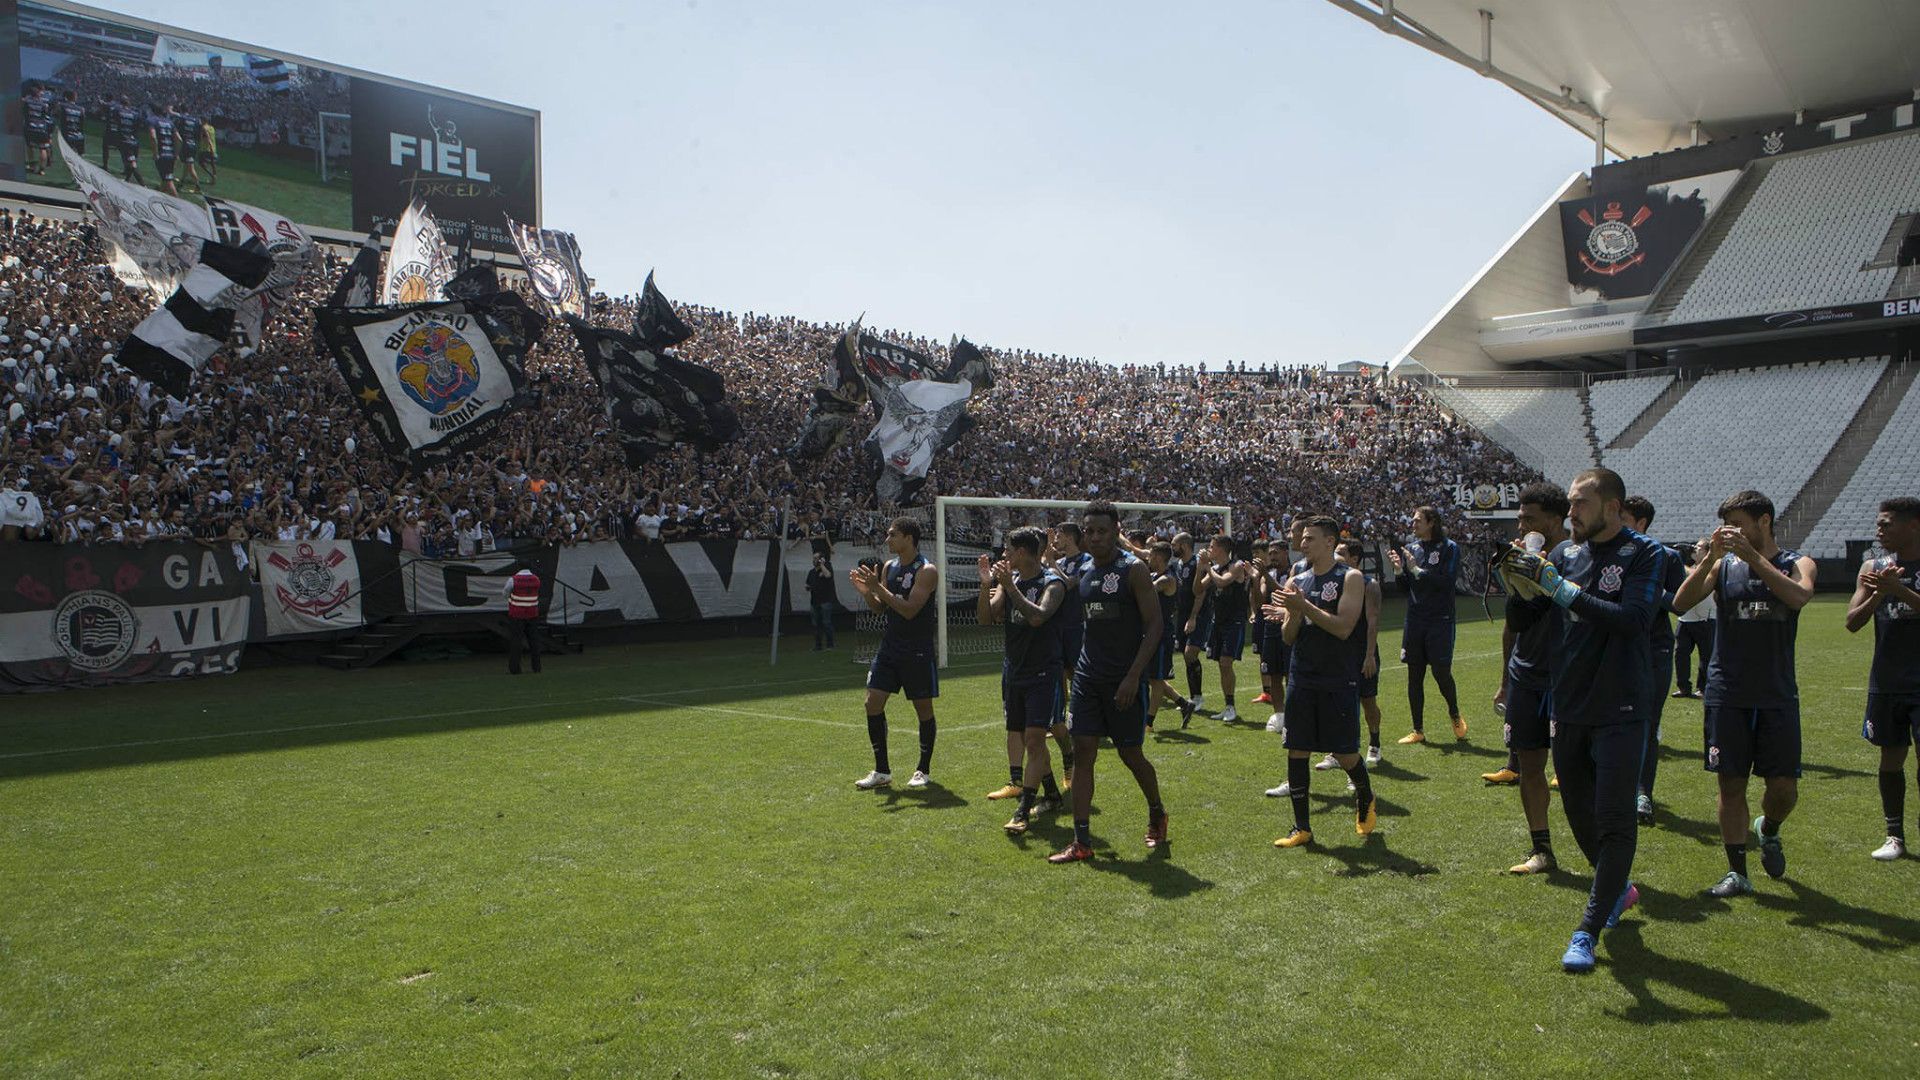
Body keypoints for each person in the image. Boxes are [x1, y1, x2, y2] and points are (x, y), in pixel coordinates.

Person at [1498, 467, 1661, 972]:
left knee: (1614, 820)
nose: (1570, 514)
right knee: (1578, 814)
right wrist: (1520, 585)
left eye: (1580, 504)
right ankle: (1618, 889)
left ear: (1612, 506)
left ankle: (1586, 930)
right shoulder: (1566, 554)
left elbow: (1634, 620)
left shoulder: (1647, 554)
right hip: (1568, 704)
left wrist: (1563, 591)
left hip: (1622, 705)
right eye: (1569, 504)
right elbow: (1526, 622)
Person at [1672, 490, 1816, 899]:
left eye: (1738, 523)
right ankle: (1738, 872)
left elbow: (1799, 596)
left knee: (1784, 789)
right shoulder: (1722, 566)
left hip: (1776, 692)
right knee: (1730, 785)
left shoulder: (1797, 562)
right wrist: (1708, 559)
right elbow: (1681, 603)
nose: (1730, 532)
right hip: (1727, 691)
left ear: (1764, 521)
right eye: (1726, 524)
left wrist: (1755, 560)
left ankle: (1768, 829)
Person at [1048, 500, 1169, 863]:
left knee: (1131, 755)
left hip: (1124, 679)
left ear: (1117, 530)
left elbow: (1155, 626)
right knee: (1084, 753)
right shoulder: (1082, 570)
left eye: (1103, 530)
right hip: (1088, 677)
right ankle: (1082, 841)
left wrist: (1134, 676)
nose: (1096, 537)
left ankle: (1156, 812)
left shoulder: (1133, 570)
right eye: (1090, 531)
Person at [1267, 515, 1376, 847]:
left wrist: (1304, 606)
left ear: (1330, 542)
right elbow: (1287, 637)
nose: (1303, 543)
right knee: (1296, 749)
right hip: (1302, 676)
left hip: (1338, 678)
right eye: (1302, 539)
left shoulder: (1352, 578)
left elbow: (1343, 628)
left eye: (1310, 538)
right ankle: (1302, 828)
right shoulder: (1295, 580)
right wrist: (1294, 614)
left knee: (1344, 754)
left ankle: (1366, 796)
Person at [1489, 483, 1571, 874]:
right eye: (1520, 518)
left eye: (1530, 518)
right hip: (1527, 673)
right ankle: (1542, 848)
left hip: (1568, 676)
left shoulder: (1577, 557)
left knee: (1576, 768)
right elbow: (1514, 624)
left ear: (1555, 520)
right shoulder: (1520, 556)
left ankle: (1601, 853)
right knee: (1529, 762)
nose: (1522, 524)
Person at [1843, 496, 1920, 861]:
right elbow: (1852, 622)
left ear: (1913, 526)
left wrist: (1899, 590)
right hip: (1887, 680)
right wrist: (1877, 594)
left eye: (1886, 523)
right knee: (1890, 759)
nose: (1879, 530)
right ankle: (1895, 837)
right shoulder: (1873, 567)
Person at [976, 526, 1068, 832]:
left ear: (1023, 552)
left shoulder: (1052, 583)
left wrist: (1009, 588)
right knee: (1031, 742)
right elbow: (985, 619)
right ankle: (1052, 794)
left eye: (1008, 550)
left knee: (1034, 739)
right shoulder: (1010, 580)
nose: (1004, 555)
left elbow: (1039, 616)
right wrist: (986, 585)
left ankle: (1023, 810)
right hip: (1015, 671)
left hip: (1043, 672)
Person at [849, 517, 941, 791]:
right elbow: (881, 608)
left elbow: (910, 609)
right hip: (890, 647)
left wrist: (879, 589)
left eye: (892, 535)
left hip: (917, 650)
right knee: (872, 703)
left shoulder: (927, 570)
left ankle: (923, 770)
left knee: (923, 710)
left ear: (909, 538)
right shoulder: (888, 567)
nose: (887, 540)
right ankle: (882, 771)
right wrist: (868, 594)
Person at [1623, 496, 1687, 825]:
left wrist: (1647, 589)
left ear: (1641, 523)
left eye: (1625, 518)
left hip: (1654, 650)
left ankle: (1642, 793)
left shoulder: (1667, 557)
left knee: (1647, 723)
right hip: (1615, 648)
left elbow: (1679, 603)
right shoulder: (1607, 555)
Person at [1388, 506, 1466, 744]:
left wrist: (1417, 570)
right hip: (1415, 620)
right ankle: (1418, 730)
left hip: (1440, 620)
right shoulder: (1411, 549)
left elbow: (1446, 582)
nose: (1413, 524)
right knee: (1414, 675)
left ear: (1432, 522)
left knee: (1441, 672)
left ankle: (1454, 714)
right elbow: (1405, 589)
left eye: (1417, 520)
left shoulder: (1450, 548)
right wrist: (1401, 571)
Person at [1046, 522, 1093, 781]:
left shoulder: (1085, 561)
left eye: (1060, 536)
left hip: (1076, 627)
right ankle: (1060, 721)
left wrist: (1052, 562)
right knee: (1060, 675)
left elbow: (1068, 585)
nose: (1056, 540)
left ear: (1071, 538)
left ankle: (1083, 722)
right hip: (1058, 628)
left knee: (1077, 676)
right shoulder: (1060, 561)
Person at [1337, 539, 1385, 767]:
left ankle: (1374, 743)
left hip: (1362, 653)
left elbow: (1372, 622)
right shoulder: (1335, 582)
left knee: (1368, 701)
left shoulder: (1369, 584)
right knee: (1340, 703)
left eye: (1341, 553)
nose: (1335, 556)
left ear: (1354, 558)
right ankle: (1339, 750)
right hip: (1340, 654)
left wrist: (1369, 655)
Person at [1143, 540, 1197, 730]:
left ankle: (1148, 722)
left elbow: (1147, 589)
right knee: (1151, 677)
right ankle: (1184, 703)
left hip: (1161, 634)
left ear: (1158, 558)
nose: (1148, 558)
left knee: (1156, 679)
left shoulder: (1168, 579)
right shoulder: (1155, 573)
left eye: (1150, 556)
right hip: (1149, 632)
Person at [1200, 534, 1252, 723]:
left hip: (1234, 622)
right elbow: (1198, 589)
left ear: (1221, 549)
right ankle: (1227, 706)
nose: (1209, 549)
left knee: (1225, 663)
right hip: (1218, 622)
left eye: (1212, 546)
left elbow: (1222, 581)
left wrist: (1207, 568)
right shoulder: (1213, 568)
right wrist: (1201, 568)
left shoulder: (1236, 566)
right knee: (1221, 665)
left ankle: (1231, 707)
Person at [1177, 531, 1215, 714]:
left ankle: (1198, 697)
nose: (1172, 547)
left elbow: (1200, 593)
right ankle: (1193, 697)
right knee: (1187, 657)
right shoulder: (1178, 564)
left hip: (1198, 614)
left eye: (1175, 544)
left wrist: (1193, 617)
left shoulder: (1196, 564)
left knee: (1190, 653)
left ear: (1184, 545)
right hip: (1182, 615)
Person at [1673, 546, 1715, 698]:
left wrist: (1680, 562)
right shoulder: (1689, 568)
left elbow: (1695, 575)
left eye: (1698, 548)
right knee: (1680, 654)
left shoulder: (1713, 567)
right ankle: (1684, 687)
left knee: (1706, 655)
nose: (1694, 550)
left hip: (1705, 618)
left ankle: (1703, 688)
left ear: (1707, 551)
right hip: (1685, 618)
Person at [504, 563, 544, 675]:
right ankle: (536, 667)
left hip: (517, 614)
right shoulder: (536, 579)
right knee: (534, 641)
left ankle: (515, 668)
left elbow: (505, 592)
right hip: (532, 613)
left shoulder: (513, 579)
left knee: (516, 641)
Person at [806, 553, 837, 650]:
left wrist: (822, 565)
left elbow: (828, 575)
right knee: (816, 624)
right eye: (813, 558)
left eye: (816, 558)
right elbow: (807, 584)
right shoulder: (811, 572)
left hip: (825, 600)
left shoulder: (825, 569)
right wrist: (808, 587)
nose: (814, 560)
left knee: (826, 623)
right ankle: (818, 645)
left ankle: (830, 645)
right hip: (814, 601)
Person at [22, 85, 53, 176]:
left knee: (29, 146)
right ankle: (42, 169)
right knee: (42, 148)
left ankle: (31, 166)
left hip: (30, 127)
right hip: (41, 128)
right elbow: (45, 116)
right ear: (38, 94)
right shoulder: (44, 104)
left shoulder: (26, 102)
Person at [149, 105, 180, 197]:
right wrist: (176, 154)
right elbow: (179, 139)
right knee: (165, 178)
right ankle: (159, 196)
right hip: (170, 154)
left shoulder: (153, 121)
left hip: (162, 155)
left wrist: (155, 153)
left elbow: (153, 137)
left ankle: (180, 204)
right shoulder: (170, 122)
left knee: (168, 181)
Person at [57, 90, 87, 158]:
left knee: (67, 155)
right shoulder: (81, 109)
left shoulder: (62, 106)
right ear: (75, 97)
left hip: (67, 134)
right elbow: (82, 122)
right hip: (78, 134)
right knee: (81, 155)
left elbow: (56, 113)